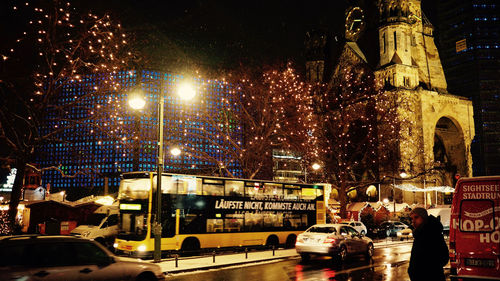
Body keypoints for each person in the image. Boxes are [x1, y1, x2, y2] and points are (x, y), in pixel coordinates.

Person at [408, 207, 449, 281]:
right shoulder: (419, 234)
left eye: (416, 217)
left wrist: (428, 269)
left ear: (423, 217)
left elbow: (444, 257)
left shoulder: (433, 233)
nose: (413, 221)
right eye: (412, 219)